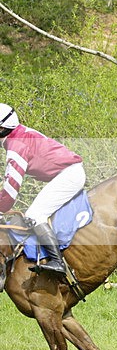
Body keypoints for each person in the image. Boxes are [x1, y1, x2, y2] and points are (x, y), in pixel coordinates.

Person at [0, 104, 85, 274]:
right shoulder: (20, 133)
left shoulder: (16, 146)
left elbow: (11, 190)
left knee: (34, 215)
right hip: (68, 172)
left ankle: (57, 262)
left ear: (2, 129)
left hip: (68, 175)